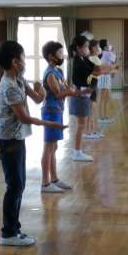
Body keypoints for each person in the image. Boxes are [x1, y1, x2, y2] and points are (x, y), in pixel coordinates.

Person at [0, 40, 67, 246]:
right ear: (15, 62)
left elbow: (37, 99)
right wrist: (50, 123)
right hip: (7, 140)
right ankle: (8, 233)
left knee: (20, 184)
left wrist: (40, 90)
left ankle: (14, 229)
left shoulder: (18, 79)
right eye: (23, 58)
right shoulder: (8, 86)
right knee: (14, 186)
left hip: (17, 138)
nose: (25, 62)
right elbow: (24, 117)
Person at [40, 40, 78, 193]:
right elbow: (57, 94)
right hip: (50, 112)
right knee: (48, 147)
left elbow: (64, 88)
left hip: (57, 111)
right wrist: (70, 92)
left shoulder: (59, 72)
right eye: (60, 52)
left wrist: (70, 88)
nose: (63, 55)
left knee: (53, 147)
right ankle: (45, 183)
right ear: (51, 56)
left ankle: (54, 179)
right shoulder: (50, 74)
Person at [68, 35, 94, 161]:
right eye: (86, 46)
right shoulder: (78, 61)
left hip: (83, 94)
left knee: (81, 125)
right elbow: (93, 72)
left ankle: (78, 150)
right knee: (80, 125)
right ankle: (77, 152)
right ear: (78, 48)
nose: (88, 49)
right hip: (80, 95)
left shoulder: (82, 59)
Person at [98, 39, 117, 123]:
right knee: (103, 97)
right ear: (105, 46)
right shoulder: (105, 53)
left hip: (106, 76)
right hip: (104, 76)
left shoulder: (106, 53)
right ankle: (101, 117)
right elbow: (113, 59)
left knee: (106, 97)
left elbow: (112, 62)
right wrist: (112, 51)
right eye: (108, 44)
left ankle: (104, 116)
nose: (110, 45)